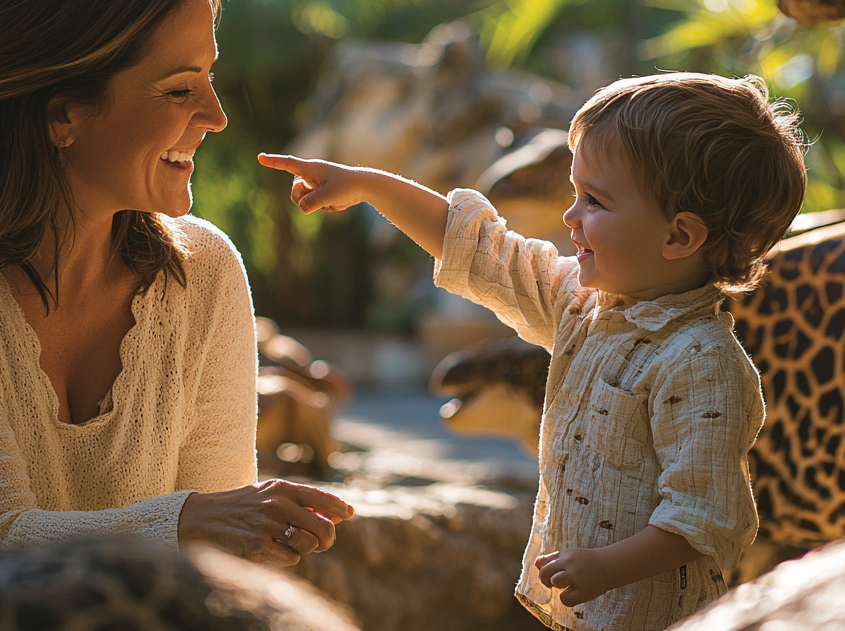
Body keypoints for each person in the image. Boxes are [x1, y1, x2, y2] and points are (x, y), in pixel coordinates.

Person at [0, 0, 352, 564]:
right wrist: (185, 525)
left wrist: (247, 534)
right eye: (180, 90)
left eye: (208, 78)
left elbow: (222, 564)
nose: (215, 116)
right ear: (63, 113)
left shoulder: (204, 269)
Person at [260, 73, 807, 631]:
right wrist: (371, 185)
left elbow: (705, 517)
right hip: (581, 610)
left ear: (678, 238)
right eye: (576, 194)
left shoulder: (702, 363)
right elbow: (482, 252)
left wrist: (605, 567)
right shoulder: (583, 305)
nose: (570, 217)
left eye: (594, 201)